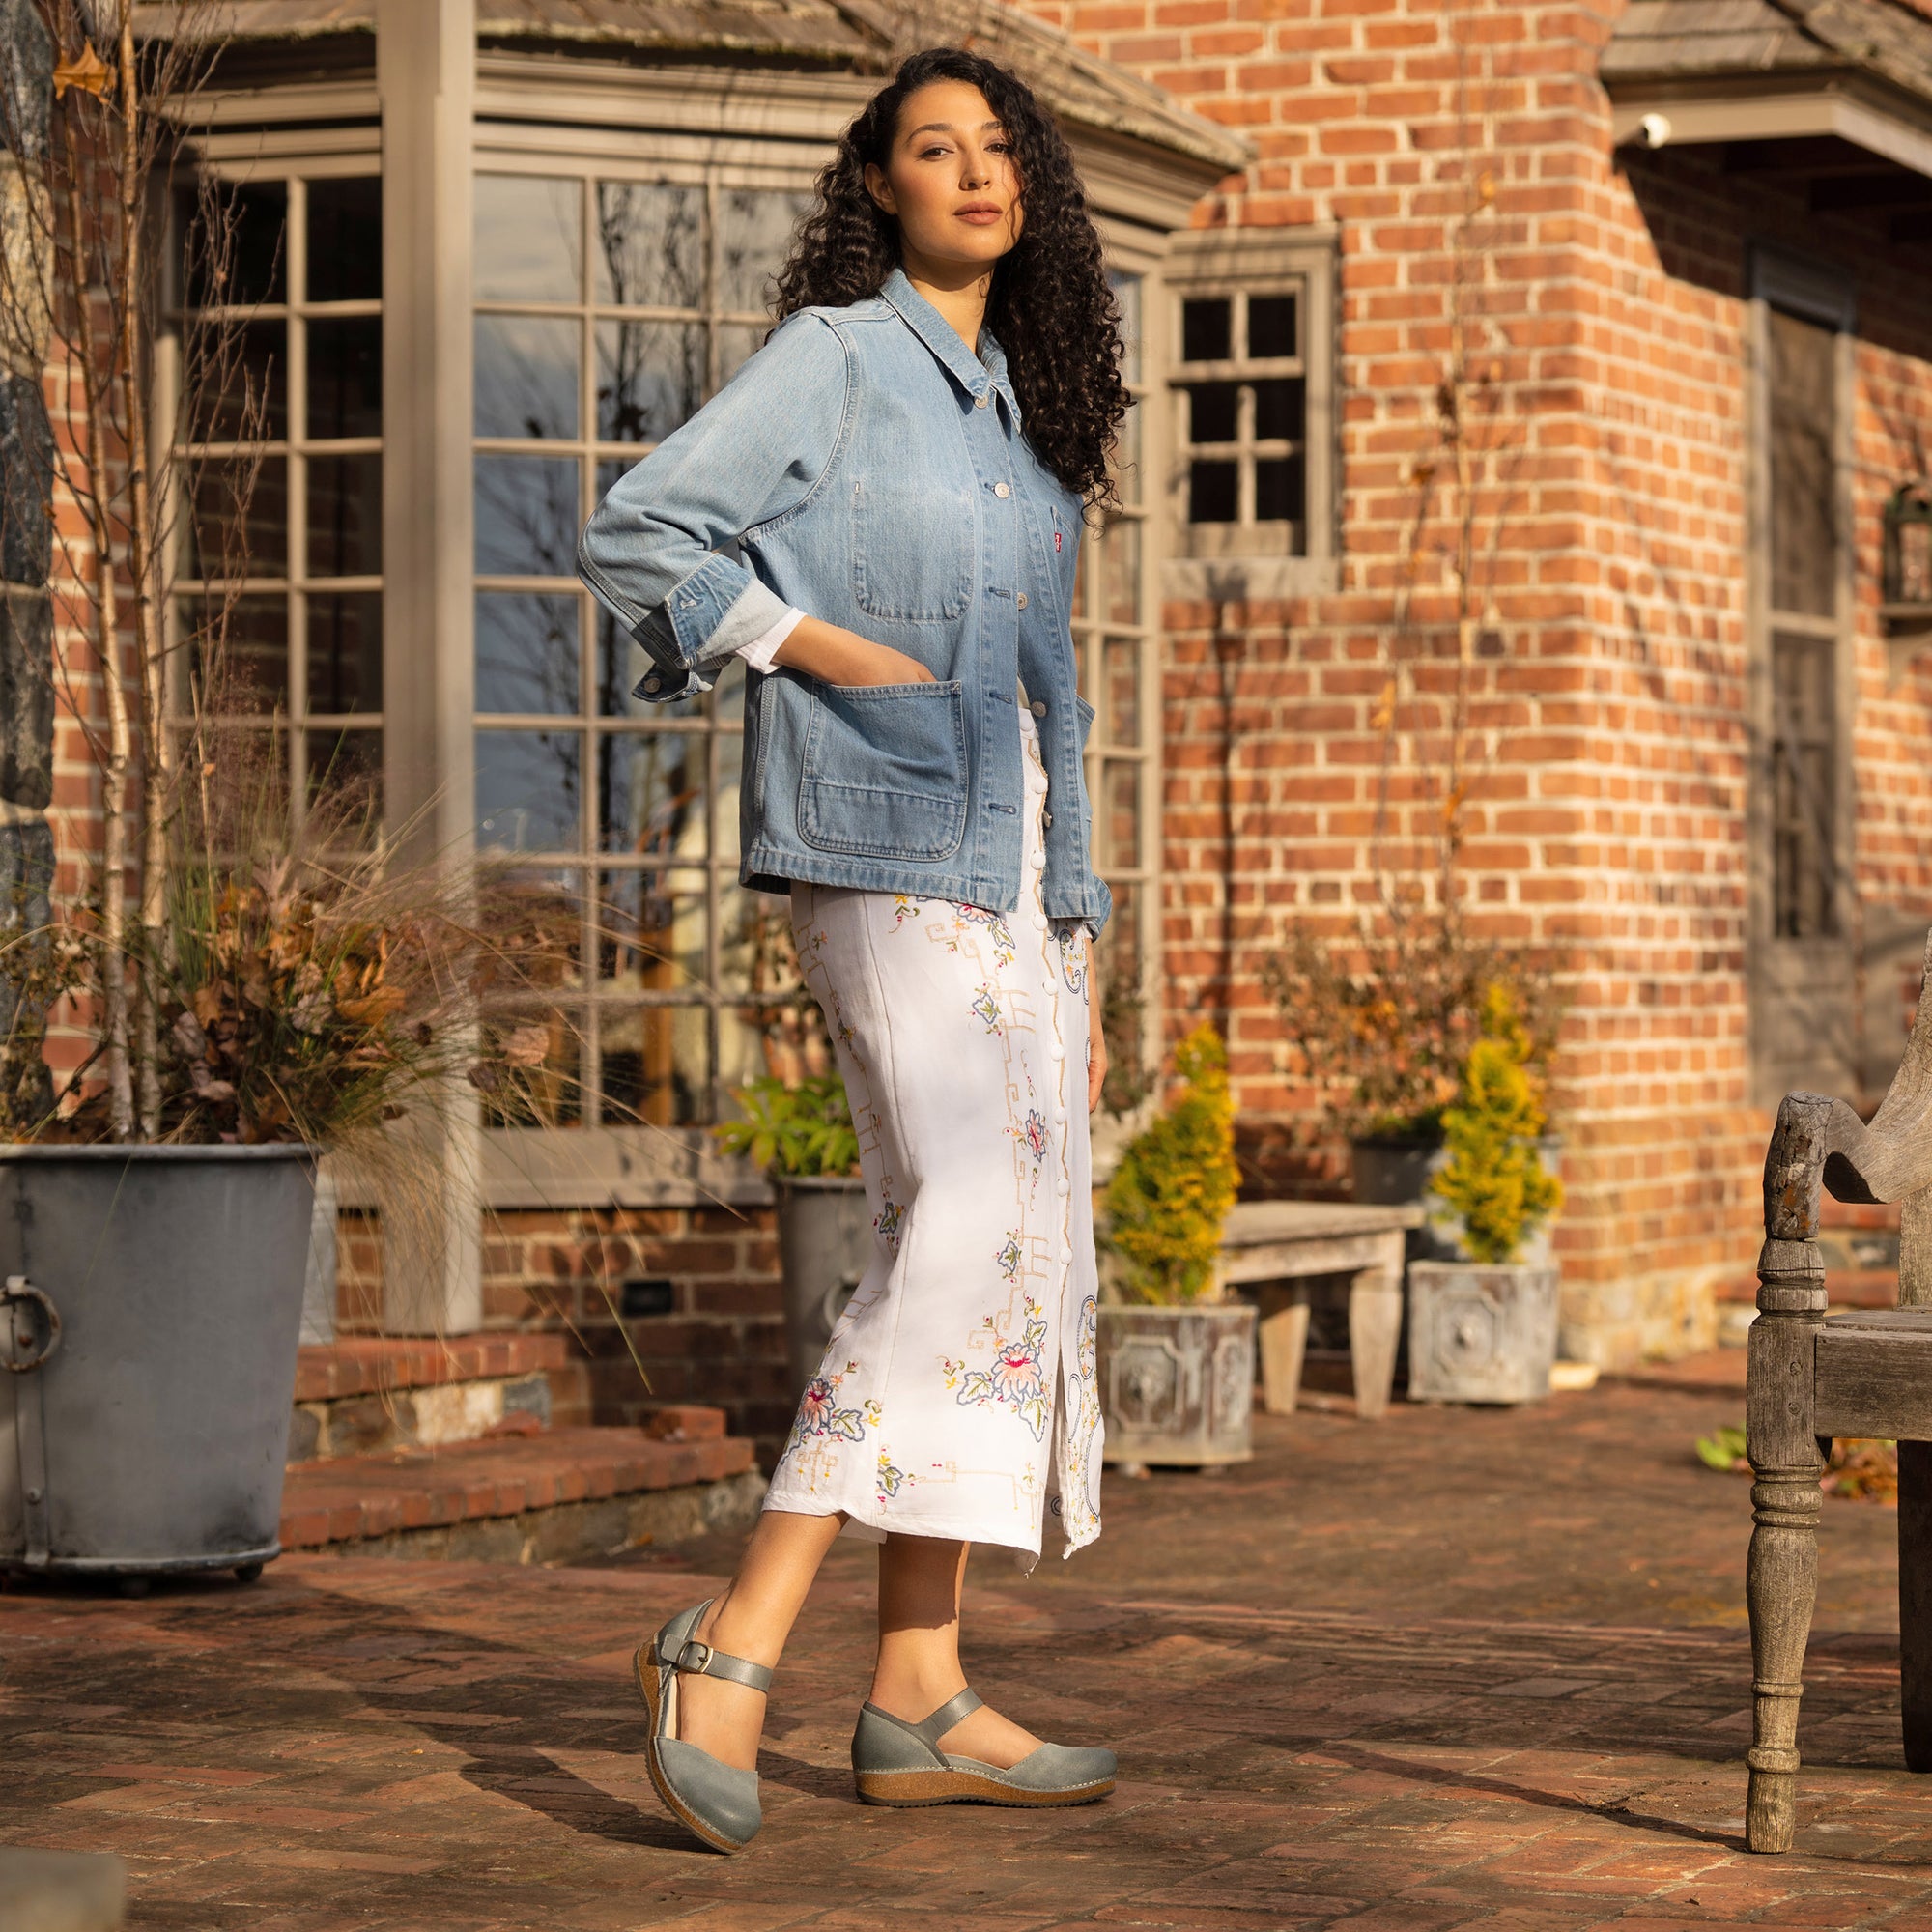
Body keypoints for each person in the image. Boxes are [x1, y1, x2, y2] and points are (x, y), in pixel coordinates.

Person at [577, 44, 1128, 1854]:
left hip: (1020, 871)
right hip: (885, 846)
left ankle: (918, 1692)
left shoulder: (1022, 415)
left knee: (995, 1242)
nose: (973, 172)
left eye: (997, 149)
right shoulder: (835, 354)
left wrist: (1087, 932)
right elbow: (638, 525)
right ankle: (731, 1647)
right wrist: (817, 648)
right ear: (879, 187)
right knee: (965, 1221)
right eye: (931, 149)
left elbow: (1061, 697)